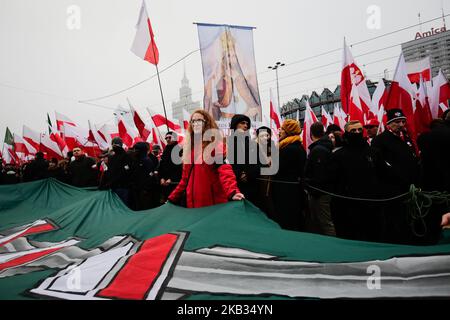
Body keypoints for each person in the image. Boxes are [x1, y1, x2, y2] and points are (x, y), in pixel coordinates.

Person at [168, 109, 244, 208]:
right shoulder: (189, 150)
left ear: (207, 123)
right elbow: (184, 180)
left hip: (213, 205)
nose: (196, 123)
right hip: (193, 207)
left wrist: (233, 192)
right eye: (193, 121)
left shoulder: (215, 145)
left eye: (199, 120)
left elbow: (225, 170)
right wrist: (171, 198)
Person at [328, 120, 384, 242]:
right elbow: (333, 180)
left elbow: (382, 175)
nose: (357, 132)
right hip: (348, 206)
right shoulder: (338, 155)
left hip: (372, 204)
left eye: (359, 130)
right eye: (353, 130)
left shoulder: (373, 152)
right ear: (347, 133)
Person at [371, 109, 420, 244]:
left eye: (403, 121)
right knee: (395, 218)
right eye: (397, 122)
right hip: (392, 189)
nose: (401, 124)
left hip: (409, 187)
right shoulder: (380, 140)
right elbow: (380, 164)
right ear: (389, 124)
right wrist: (398, 177)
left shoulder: (406, 137)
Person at [271, 119, 307, 231]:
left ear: (288, 131)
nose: (279, 131)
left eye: (282, 128)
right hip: (293, 189)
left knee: (287, 220)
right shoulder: (298, 146)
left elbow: (276, 169)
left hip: (286, 191)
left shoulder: (288, 149)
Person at [304, 122, 335, 236]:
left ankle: (333, 247)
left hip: (320, 193)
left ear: (311, 134)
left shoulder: (318, 150)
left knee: (325, 223)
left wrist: (311, 188)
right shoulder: (324, 147)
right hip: (322, 191)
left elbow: (319, 174)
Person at [227, 114, 259, 204]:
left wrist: (248, 174)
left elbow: (258, 163)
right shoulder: (227, 143)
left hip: (251, 185)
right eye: (242, 123)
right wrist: (239, 173)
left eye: (247, 124)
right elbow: (226, 164)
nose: (246, 126)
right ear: (235, 125)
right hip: (234, 186)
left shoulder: (253, 144)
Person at [99, 137, 132, 207]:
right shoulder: (111, 158)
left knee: (123, 206)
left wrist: (111, 182)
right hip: (113, 187)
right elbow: (108, 171)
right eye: (113, 145)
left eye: (117, 145)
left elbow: (125, 172)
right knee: (114, 207)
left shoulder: (126, 156)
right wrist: (103, 184)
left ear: (121, 145)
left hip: (123, 187)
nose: (115, 147)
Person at [254, 126, 276, 218]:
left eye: (267, 135)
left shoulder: (271, 146)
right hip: (258, 181)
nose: (265, 138)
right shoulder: (253, 147)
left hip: (270, 181)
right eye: (262, 135)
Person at [129, 142, 158, 210]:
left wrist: (146, 189)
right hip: (136, 190)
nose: (134, 151)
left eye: (136, 150)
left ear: (141, 151)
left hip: (144, 192)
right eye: (134, 149)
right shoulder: (135, 160)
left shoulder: (147, 161)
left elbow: (150, 176)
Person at [159, 132, 183, 202]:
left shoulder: (179, 149)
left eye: (170, 137)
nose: (168, 139)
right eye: (166, 138)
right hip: (165, 183)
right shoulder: (165, 149)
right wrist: (161, 177)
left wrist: (172, 179)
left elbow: (180, 168)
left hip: (175, 183)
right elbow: (162, 165)